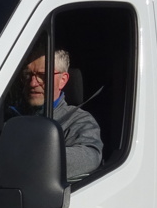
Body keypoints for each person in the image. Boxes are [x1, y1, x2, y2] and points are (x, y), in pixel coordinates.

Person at [21, 47, 102, 180]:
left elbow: (91, 156)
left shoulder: (79, 120)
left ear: (63, 80)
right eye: (27, 74)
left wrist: (27, 157)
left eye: (42, 76)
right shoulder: (8, 115)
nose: (32, 83)